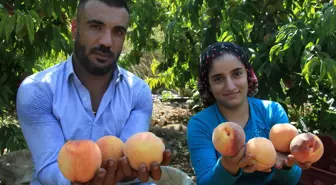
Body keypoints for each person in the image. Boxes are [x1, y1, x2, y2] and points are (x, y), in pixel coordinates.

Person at [16, 0, 171, 185]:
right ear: (75, 29)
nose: (106, 42)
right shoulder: (37, 89)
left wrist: (132, 169)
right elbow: (49, 167)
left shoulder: (138, 92)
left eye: (118, 32)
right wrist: (80, 180)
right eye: (96, 27)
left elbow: (130, 155)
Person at [186, 42, 312, 185]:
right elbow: (206, 182)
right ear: (208, 84)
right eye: (218, 78)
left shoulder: (271, 112)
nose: (230, 86)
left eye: (237, 74)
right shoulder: (201, 124)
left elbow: (291, 180)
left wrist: (286, 167)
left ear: (247, 74)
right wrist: (228, 166)